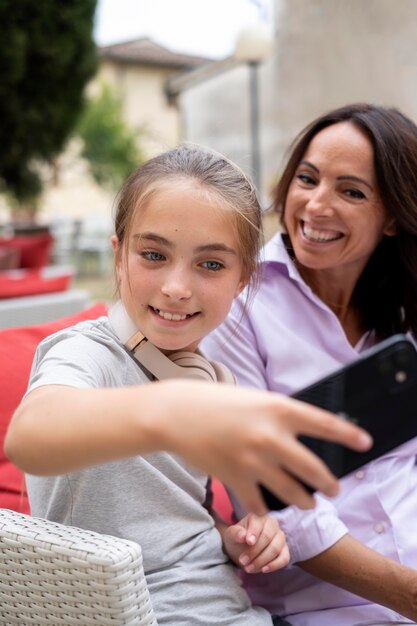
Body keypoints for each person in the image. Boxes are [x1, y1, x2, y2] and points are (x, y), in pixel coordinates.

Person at [4, 146, 372, 626]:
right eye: (154, 255)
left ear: (243, 279)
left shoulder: (213, 377)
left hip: (232, 608)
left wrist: (229, 535)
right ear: (119, 258)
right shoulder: (85, 354)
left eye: (211, 265)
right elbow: (30, 436)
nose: (177, 286)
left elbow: (178, 511)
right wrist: (170, 412)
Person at [202, 103, 417, 626]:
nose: (316, 205)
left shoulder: (406, 304)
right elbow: (269, 492)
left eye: (351, 191)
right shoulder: (240, 303)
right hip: (327, 607)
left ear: (392, 218)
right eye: (307, 178)